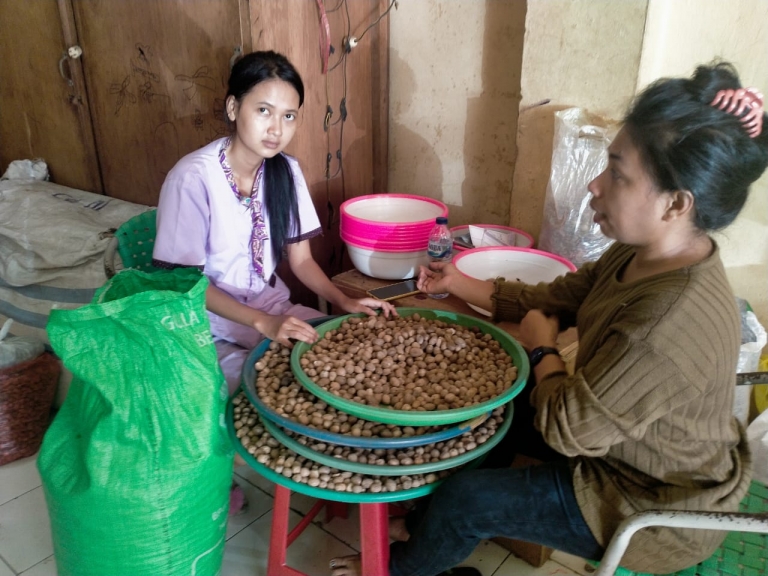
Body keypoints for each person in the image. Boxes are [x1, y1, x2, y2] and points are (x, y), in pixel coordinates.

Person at [330, 61, 767, 576]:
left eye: (618, 175)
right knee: (490, 412)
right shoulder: (643, 254)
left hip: (652, 501)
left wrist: (542, 350)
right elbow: (559, 296)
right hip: (621, 445)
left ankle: (398, 566)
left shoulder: (666, 320)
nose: (595, 187)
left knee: (470, 498)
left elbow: (567, 430)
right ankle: (429, 526)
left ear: (676, 204)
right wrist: (457, 284)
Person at [152, 50, 395, 515]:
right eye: (262, 111)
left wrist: (342, 300)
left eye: (288, 116)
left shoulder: (285, 170)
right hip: (202, 322)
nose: (275, 129)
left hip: (266, 304)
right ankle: (215, 480)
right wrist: (263, 324)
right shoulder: (192, 178)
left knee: (335, 353)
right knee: (254, 389)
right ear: (232, 108)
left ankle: (336, 469)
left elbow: (301, 261)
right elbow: (185, 286)